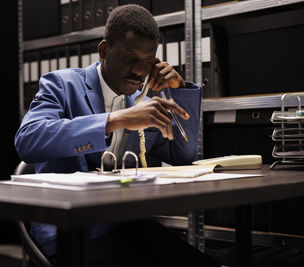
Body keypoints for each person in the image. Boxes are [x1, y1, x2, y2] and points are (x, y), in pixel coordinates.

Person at [15, 4, 219, 267]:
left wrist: (179, 90)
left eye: (148, 62)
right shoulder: (62, 84)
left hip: (125, 224)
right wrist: (116, 120)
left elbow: (183, 155)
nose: (139, 71)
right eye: (129, 57)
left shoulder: (144, 100)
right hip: (72, 231)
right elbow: (28, 140)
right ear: (104, 50)